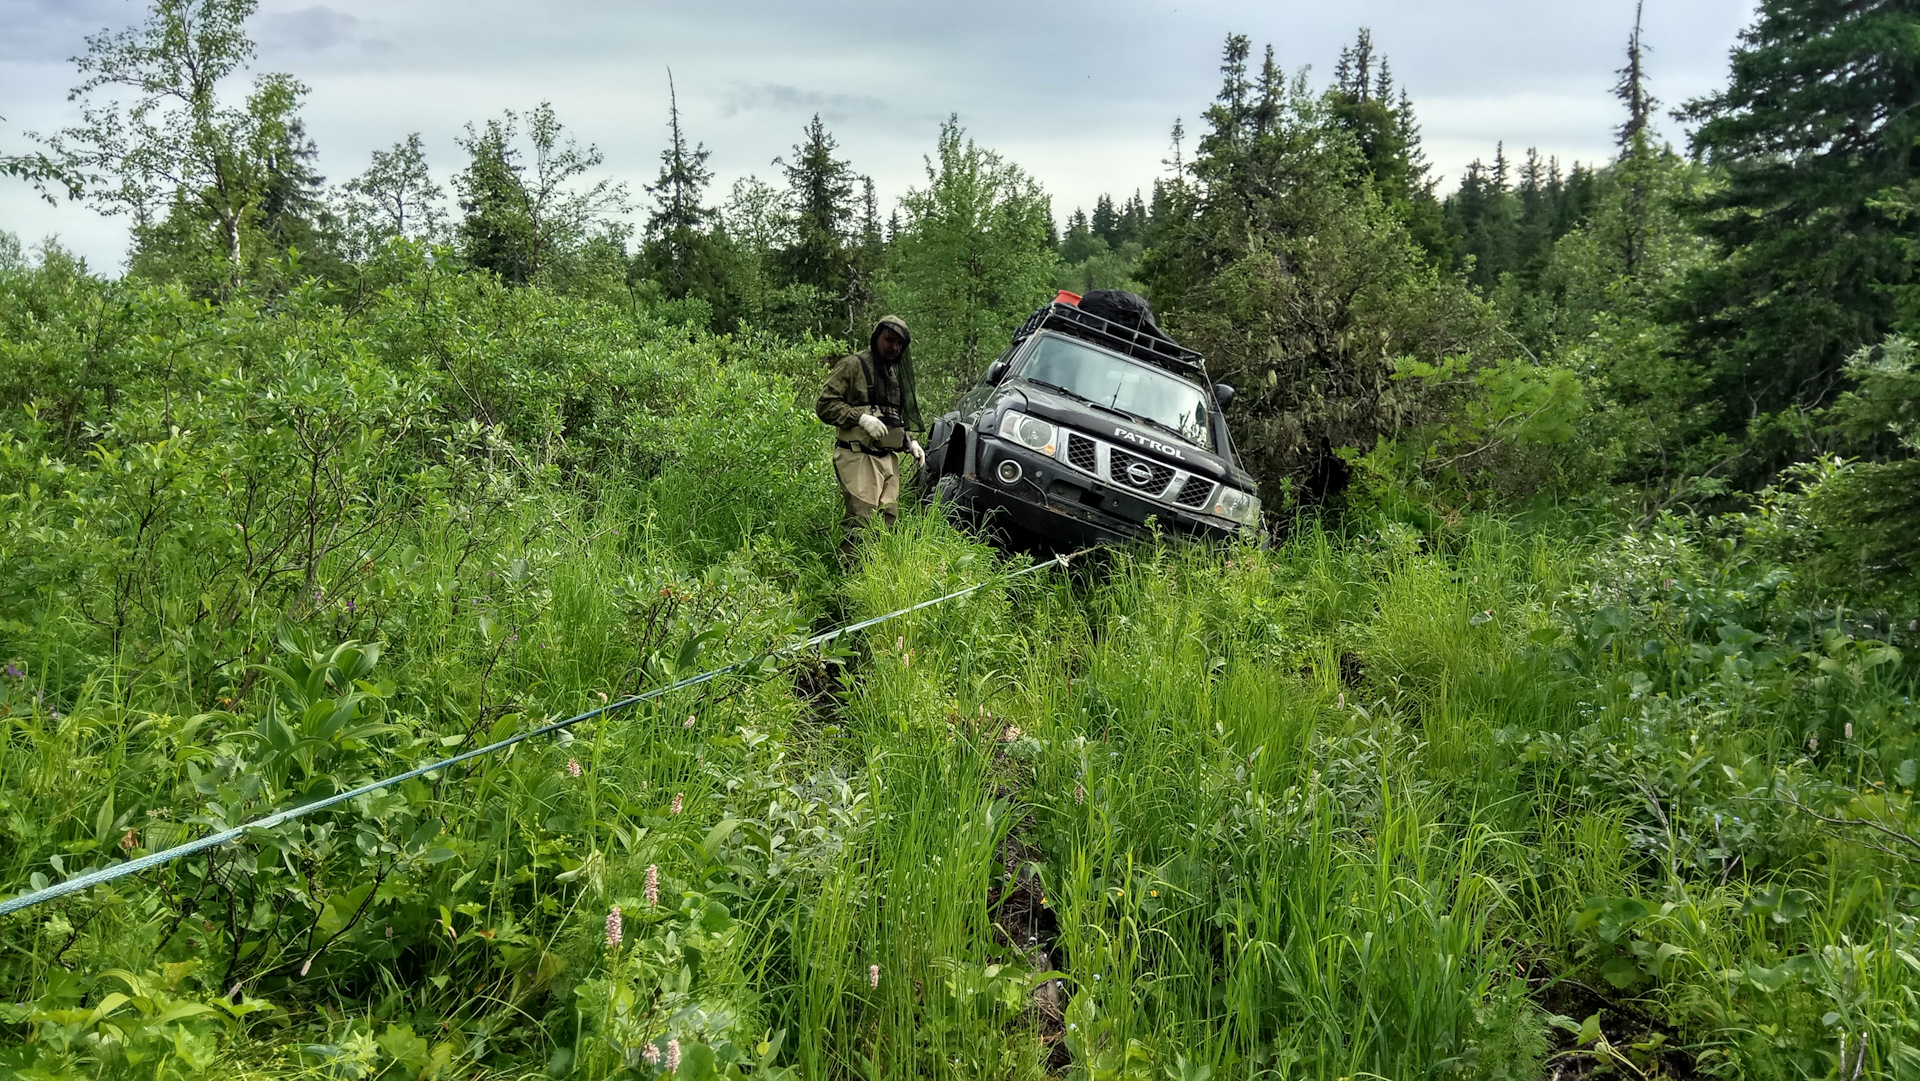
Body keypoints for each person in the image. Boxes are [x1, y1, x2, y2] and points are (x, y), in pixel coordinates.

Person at [816, 315, 924, 546]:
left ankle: (875, 578)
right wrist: (860, 418)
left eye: (899, 343)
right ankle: (850, 576)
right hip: (857, 455)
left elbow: (895, 416)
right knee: (861, 520)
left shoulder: (894, 374)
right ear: (877, 338)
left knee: (888, 521)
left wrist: (909, 440)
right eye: (889, 340)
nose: (894, 347)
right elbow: (824, 405)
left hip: (888, 459)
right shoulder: (853, 365)